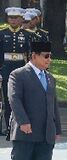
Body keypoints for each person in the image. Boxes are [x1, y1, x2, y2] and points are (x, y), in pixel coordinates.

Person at [9, 40, 61, 160]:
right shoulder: (18, 75)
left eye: (50, 56)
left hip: (46, 132)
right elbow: (14, 99)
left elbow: (54, 105)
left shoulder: (50, 77)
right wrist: (23, 121)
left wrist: (57, 129)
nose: (49, 60)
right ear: (34, 56)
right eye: (46, 56)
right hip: (25, 131)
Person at [1, 7, 31, 137]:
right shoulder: (2, 34)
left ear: (21, 19)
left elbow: (31, 55)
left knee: (22, 98)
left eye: (16, 18)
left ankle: (21, 126)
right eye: (11, 18)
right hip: (6, 69)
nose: (13, 20)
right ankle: (8, 126)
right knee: (8, 99)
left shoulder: (27, 35)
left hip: (21, 70)